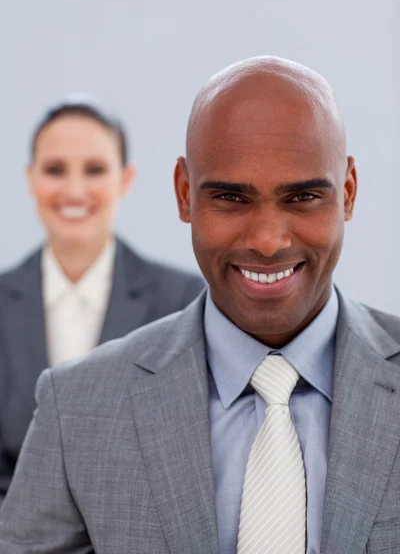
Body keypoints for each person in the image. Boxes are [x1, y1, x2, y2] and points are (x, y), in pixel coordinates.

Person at [0, 56, 398, 554]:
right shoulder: (76, 408)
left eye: (303, 198)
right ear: (185, 194)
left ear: (349, 192)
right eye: (232, 198)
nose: (268, 241)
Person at [0, 95, 205, 504]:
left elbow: (191, 459)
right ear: (30, 178)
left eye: (95, 169)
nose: (74, 190)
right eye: (55, 169)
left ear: (125, 179)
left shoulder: (183, 301)